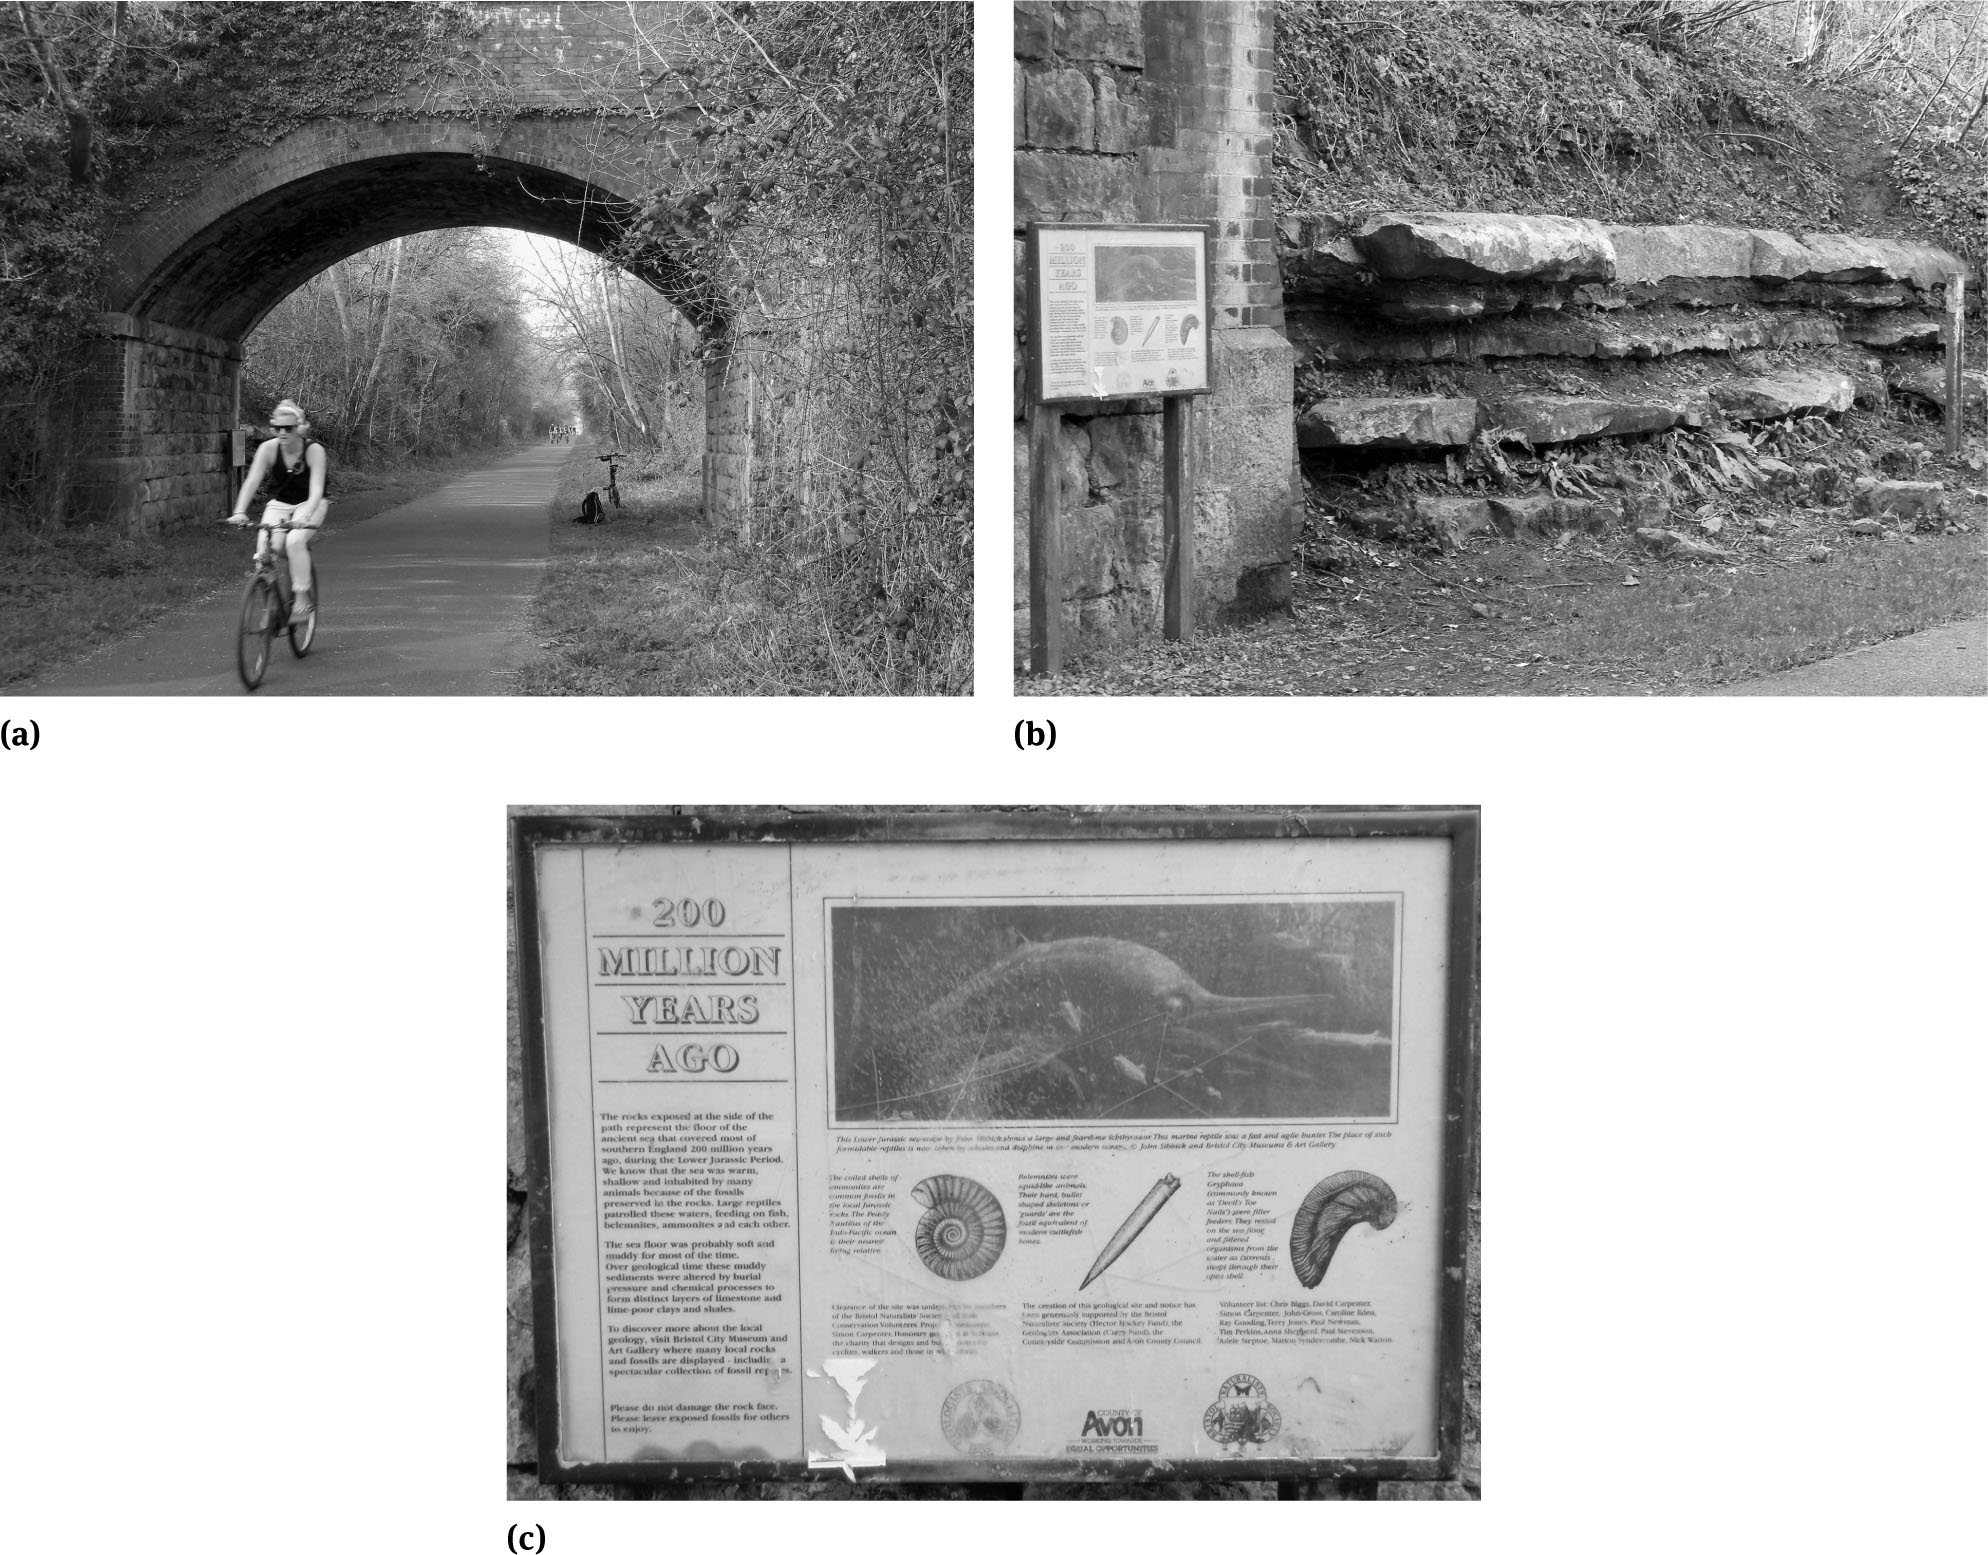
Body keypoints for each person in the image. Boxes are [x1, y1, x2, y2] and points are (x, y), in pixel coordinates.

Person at [228, 399, 327, 620]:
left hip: (310, 503)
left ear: (299, 428)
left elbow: (317, 492)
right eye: (277, 428)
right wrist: (239, 512)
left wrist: (304, 517)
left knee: (294, 541)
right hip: (280, 503)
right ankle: (270, 605)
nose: (282, 432)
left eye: (288, 428)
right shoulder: (268, 449)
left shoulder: (314, 451)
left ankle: (302, 598)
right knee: (264, 551)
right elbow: (252, 481)